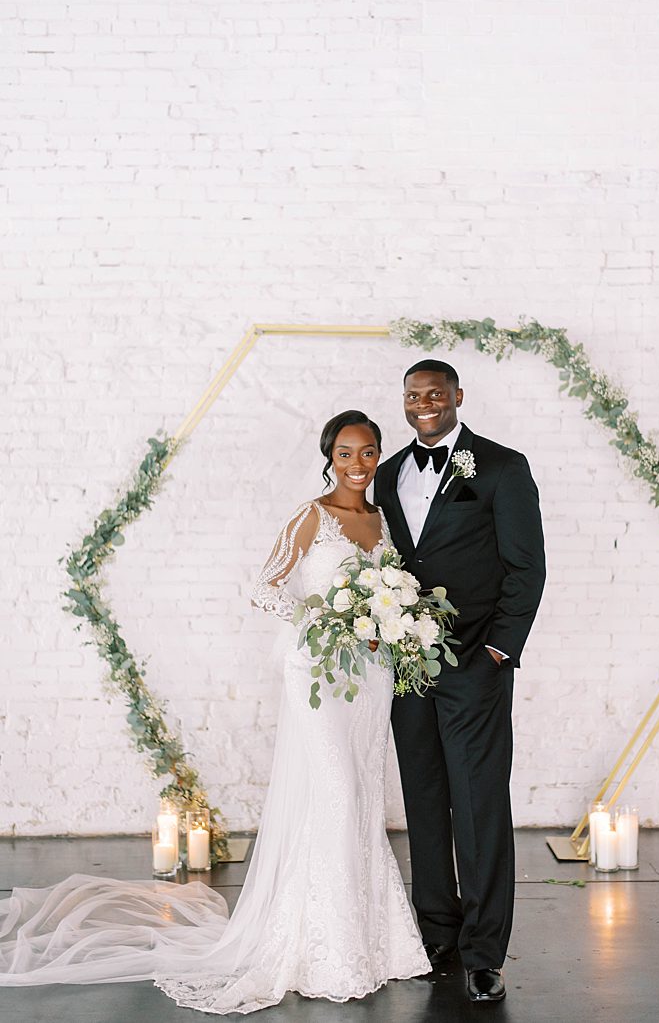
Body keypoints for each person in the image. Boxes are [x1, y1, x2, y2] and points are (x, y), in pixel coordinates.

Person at [0, 411, 430, 1012]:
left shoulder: (382, 520)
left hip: (370, 674)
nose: (357, 466)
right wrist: (327, 621)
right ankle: (323, 947)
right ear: (328, 456)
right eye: (345, 454)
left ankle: (372, 942)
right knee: (334, 790)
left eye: (368, 454)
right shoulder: (312, 517)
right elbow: (267, 588)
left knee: (360, 793)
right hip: (319, 670)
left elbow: (389, 592)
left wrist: (383, 628)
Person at [375, 359, 546, 1004]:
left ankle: (483, 953)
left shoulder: (502, 467)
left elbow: (527, 569)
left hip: (476, 665)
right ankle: (436, 934)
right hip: (408, 671)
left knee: (478, 807)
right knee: (423, 802)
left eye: (435, 393)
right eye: (413, 394)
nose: (424, 403)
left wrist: (497, 655)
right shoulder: (389, 474)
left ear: (457, 397)